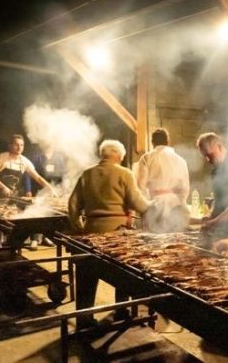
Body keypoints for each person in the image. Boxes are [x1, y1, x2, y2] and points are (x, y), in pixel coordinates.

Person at [68, 139, 152, 328]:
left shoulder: (87, 174)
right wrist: (154, 205)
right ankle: (121, 312)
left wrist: (79, 229)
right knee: (121, 275)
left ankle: (83, 319)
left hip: (90, 231)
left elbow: (73, 206)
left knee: (86, 276)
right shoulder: (124, 173)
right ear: (119, 156)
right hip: (117, 234)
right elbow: (138, 203)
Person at [136, 128, 190, 233]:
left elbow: (140, 186)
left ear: (152, 142)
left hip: (154, 205)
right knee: (174, 242)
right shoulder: (180, 160)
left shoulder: (146, 158)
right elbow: (185, 188)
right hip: (175, 206)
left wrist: (146, 207)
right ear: (168, 142)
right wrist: (180, 202)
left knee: (153, 241)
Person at [0, 134, 54, 198]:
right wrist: (3, 187)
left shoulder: (25, 161)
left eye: (21, 145)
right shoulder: (2, 157)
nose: (19, 148)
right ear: (10, 145)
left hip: (12, 197)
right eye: (16, 145)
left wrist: (50, 188)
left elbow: (38, 178)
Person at [27, 144, 66, 247]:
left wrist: (62, 190)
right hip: (38, 189)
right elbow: (28, 173)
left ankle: (46, 237)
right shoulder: (36, 157)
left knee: (49, 214)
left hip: (54, 191)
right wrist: (28, 189)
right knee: (36, 213)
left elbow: (63, 175)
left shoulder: (59, 157)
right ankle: (35, 239)